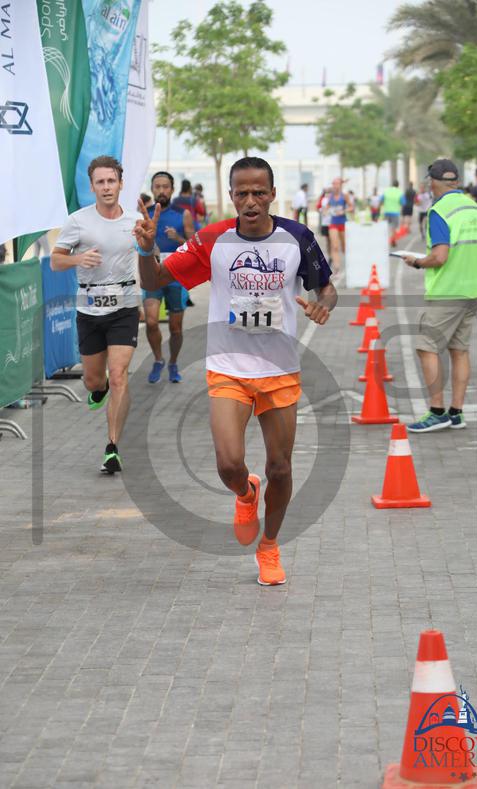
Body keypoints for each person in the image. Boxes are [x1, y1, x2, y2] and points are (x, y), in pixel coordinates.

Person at [135, 156, 337, 586]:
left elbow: (326, 287)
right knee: (229, 464)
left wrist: (323, 305)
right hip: (228, 367)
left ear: (273, 194)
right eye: (242, 193)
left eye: (259, 193)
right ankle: (245, 493)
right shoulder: (213, 239)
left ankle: (270, 546)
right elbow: (153, 281)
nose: (251, 201)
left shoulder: (297, 237)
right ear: (230, 196)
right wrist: (146, 249)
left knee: (280, 468)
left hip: (279, 369)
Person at [51, 155, 140, 474]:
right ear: (92, 186)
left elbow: (148, 253)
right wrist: (78, 260)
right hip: (89, 309)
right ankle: (98, 390)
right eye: (100, 182)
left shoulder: (134, 220)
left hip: (125, 307)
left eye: (111, 180)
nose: (106, 187)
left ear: (121, 184)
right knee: (94, 380)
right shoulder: (78, 221)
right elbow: (56, 261)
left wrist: (150, 243)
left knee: (119, 375)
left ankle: (112, 447)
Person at [402, 159, 477, 433]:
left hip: (448, 292)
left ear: (433, 182)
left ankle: (437, 412)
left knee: (426, 347)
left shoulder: (439, 211)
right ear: (456, 181)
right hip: (473, 289)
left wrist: (417, 262)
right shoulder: (473, 208)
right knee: (459, 350)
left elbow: (439, 257)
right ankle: (457, 412)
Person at [143, 171, 194, 384]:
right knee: (151, 322)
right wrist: (147, 247)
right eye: (157, 186)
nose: (161, 190)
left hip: (175, 277)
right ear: (152, 189)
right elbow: (134, 242)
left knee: (176, 328)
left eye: (165, 187)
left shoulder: (183, 214)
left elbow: (195, 245)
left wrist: (178, 238)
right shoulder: (144, 215)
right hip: (152, 275)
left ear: (172, 190)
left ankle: (173, 362)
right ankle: (158, 359)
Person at [327, 177, 353, 273]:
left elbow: (351, 207)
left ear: (341, 185)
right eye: (334, 184)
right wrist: (325, 211)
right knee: (335, 246)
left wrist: (343, 211)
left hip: (343, 223)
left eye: (337, 183)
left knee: (344, 246)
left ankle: (350, 264)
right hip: (333, 223)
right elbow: (327, 207)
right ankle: (336, 268)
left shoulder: (344, 196)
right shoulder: (330, 196)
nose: (335, 186)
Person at [381, 180, 403, 246]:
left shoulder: (386, 191)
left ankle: (385, 240)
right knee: (394, 227)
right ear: (398, 185)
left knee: (386, 226)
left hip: (386, 212)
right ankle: (392, 240)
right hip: (395, 212)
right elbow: (403, 202)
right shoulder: (400, 192)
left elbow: (381, 200)